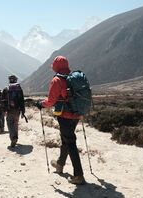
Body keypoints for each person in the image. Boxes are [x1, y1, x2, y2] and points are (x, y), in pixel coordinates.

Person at [35, 56, 86, 185]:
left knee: (70, 143)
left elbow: (51, 101)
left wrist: (41, 104)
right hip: (76, 114)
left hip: (64, 116)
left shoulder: (57, 80)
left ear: (56, 66)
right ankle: (60, 164)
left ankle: (78, 175)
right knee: (66, 140)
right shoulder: (73, 78)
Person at [2, 75, 25, 148]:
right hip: (17, 110)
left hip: (9, 110)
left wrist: (4, 110)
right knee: (15, 125)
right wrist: (23, 111)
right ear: (16, 80)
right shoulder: (19, 88)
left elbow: (3, 101)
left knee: (10, 124)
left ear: (9, 80)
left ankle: (13, 138)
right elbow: (22, 101)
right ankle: (15, 138)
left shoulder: (6, 89)